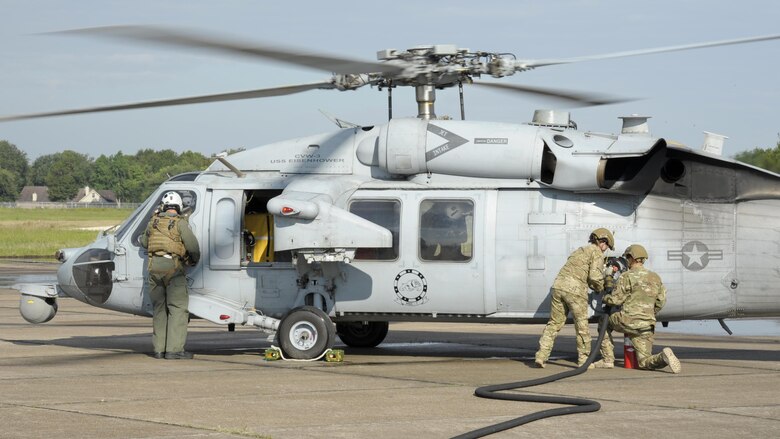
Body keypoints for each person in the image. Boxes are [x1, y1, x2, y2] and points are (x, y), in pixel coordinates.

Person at [592, 244, 681, 373]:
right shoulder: (655, 277)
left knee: (603, 323)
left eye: (627, 257)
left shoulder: (626, 276)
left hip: (627, 321)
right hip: (647, 325)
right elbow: (661, 301)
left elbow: (616, 300)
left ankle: (608, 359)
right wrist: (648, 313)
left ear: (631, 258)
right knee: (644, 361)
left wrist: (605, 296)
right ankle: (662, 357)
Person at [534, 228, 614, 368]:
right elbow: (594, 277)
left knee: (554, 323)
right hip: (575, 291)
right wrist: (603, 287)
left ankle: (541, 356)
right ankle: (584, 361)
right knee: (582, 325)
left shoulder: (580, 250)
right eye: (606, 246)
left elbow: (581, 272)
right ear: (603, 242)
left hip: (558, 287)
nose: (605, 250)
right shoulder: (596, 253)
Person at [140, 191, 201, 360]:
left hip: (154, 268)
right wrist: (194, 260)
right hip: (173, 268)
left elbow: (144, 242)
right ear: (179, 207)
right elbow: (192, 246)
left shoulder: (153, 222)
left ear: (163, 206)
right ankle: (174, 350)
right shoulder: (180, 223)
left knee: (159, 309)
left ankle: (159, 350)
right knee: (177, 308)